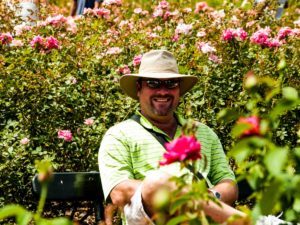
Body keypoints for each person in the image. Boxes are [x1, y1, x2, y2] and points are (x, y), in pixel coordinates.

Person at [98, 49, 246, 225]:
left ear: (179, 90)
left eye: (170, 84)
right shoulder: (119, 135)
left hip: (206, 219)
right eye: (153, 83)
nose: (162, 91)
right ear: (139, 88)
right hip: (153, 219)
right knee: (156, 182)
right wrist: (176, 192)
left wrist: (207, 198)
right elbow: (119, 192)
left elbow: (228, 184)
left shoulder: (204, 133)